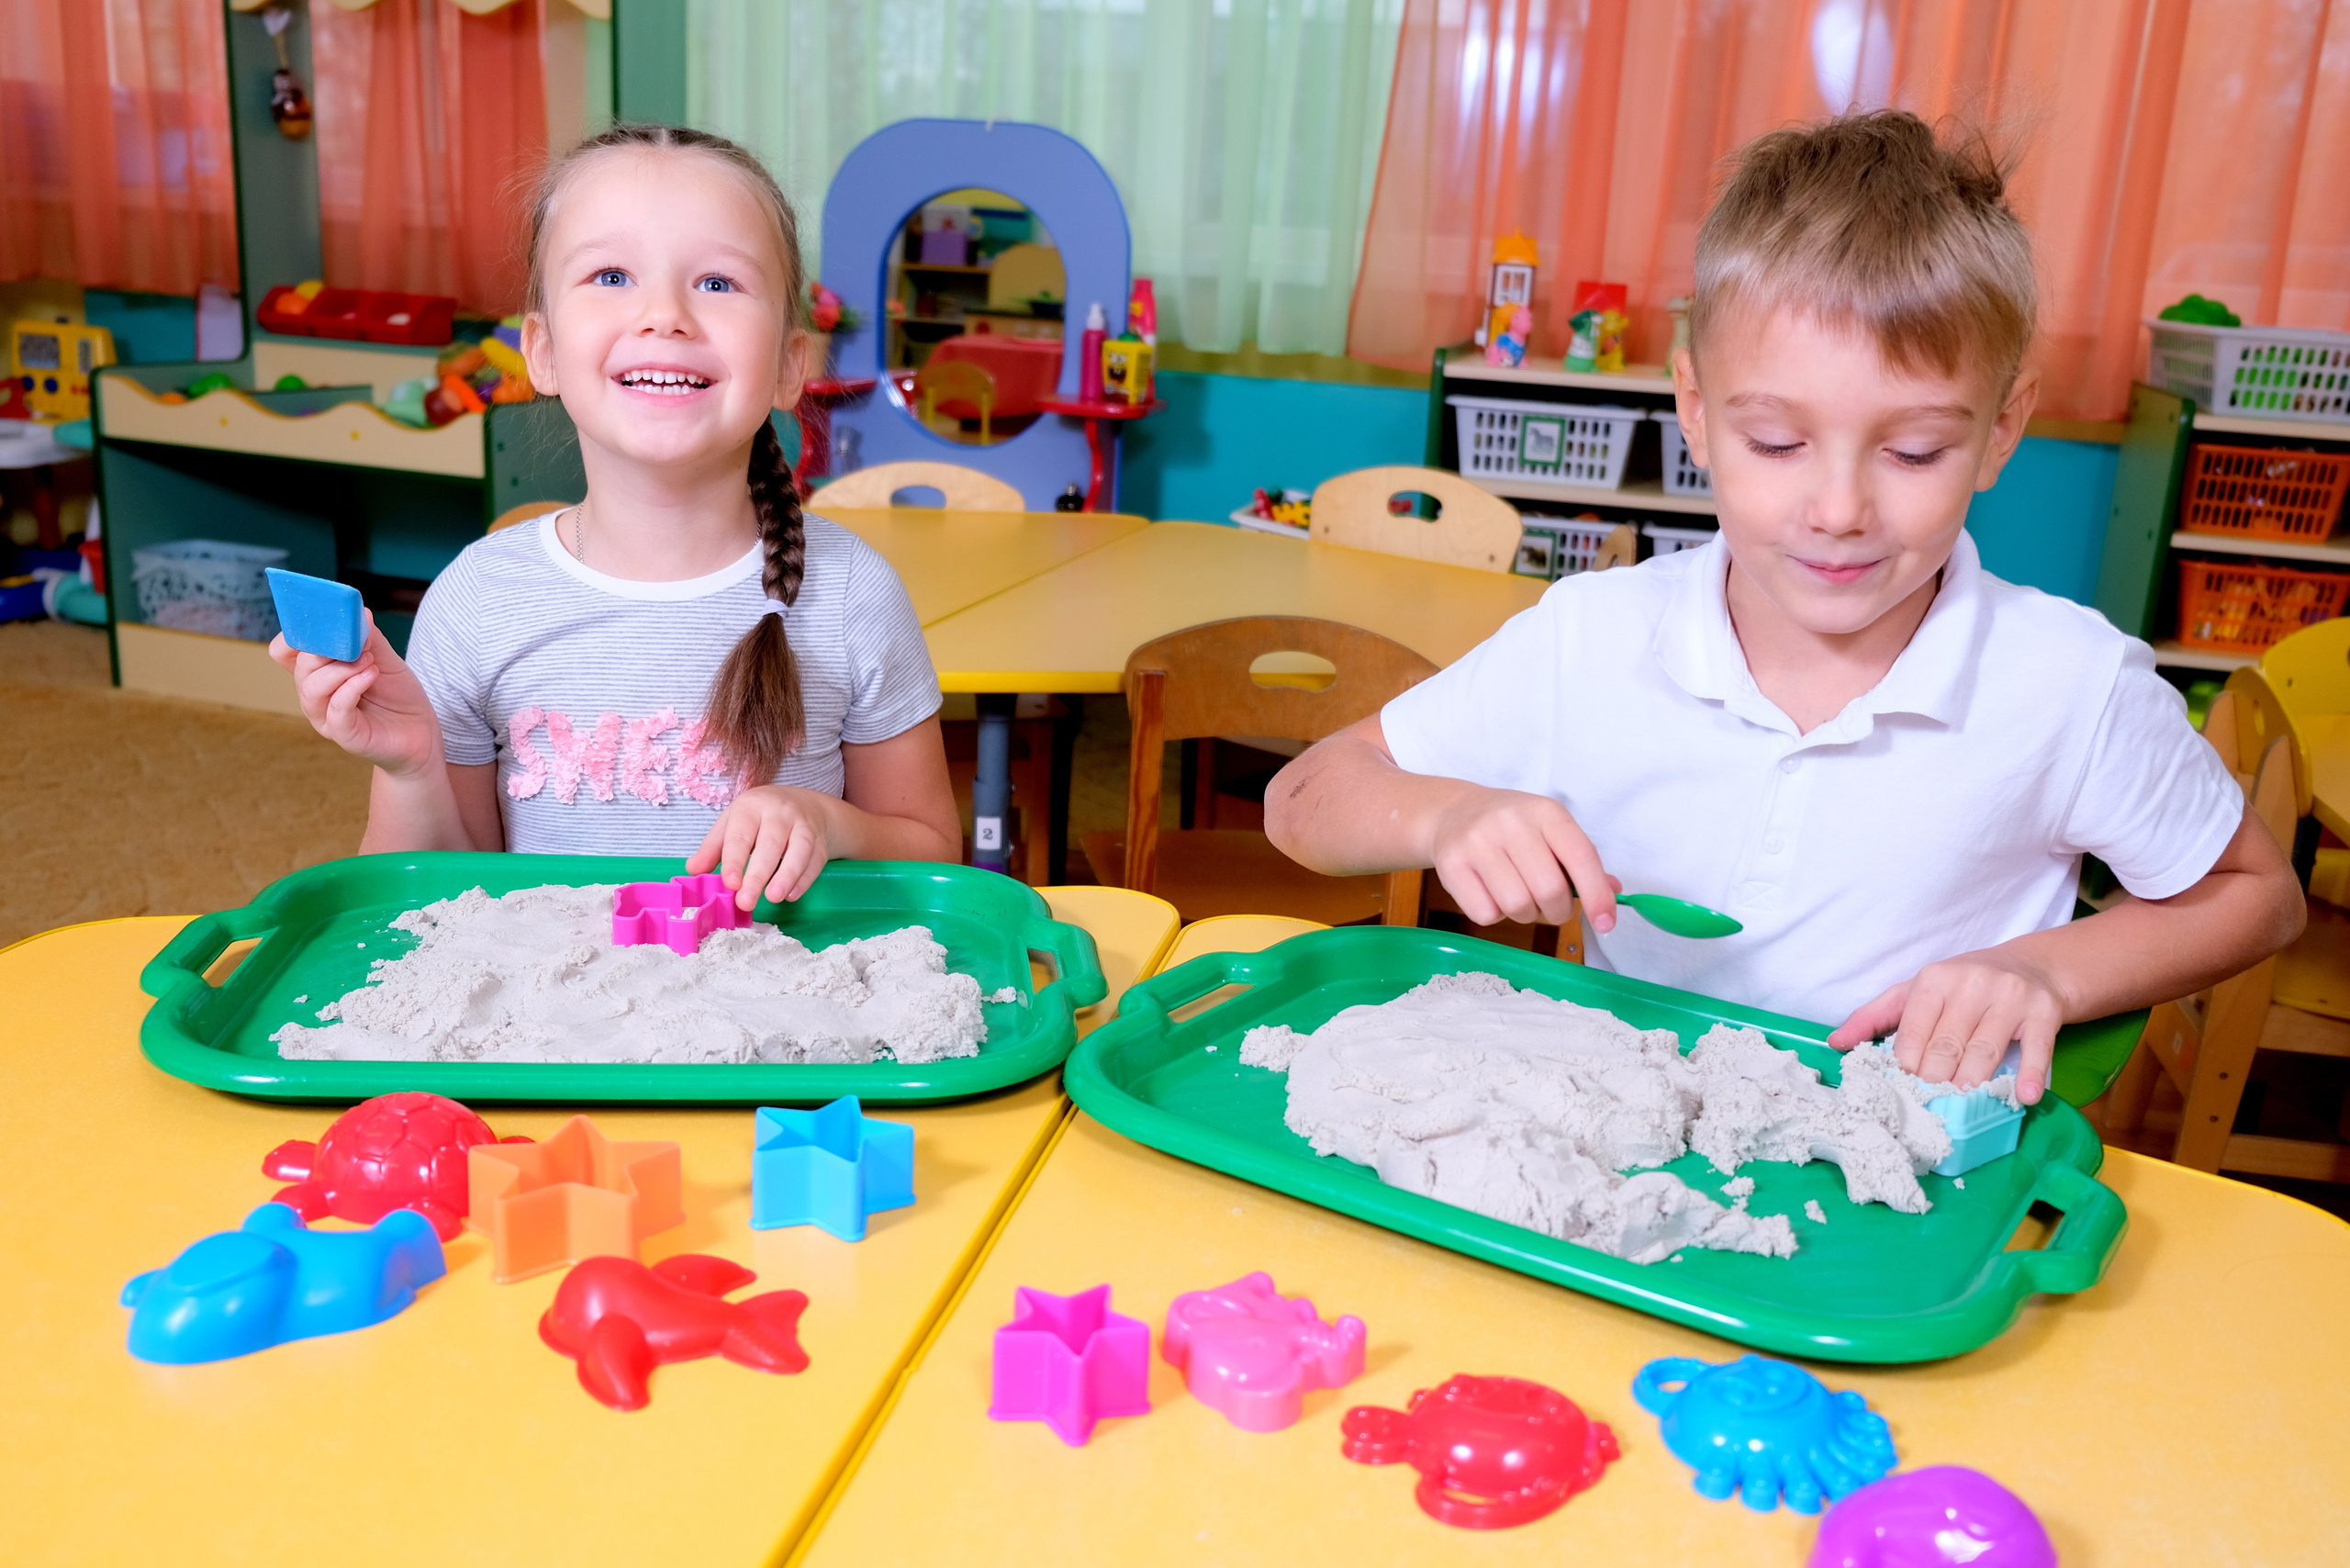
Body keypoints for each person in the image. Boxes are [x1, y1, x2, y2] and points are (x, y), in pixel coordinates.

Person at [1266, 110, 2304, 1106]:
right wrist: (1446, 815)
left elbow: (2260, 896)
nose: (1841, 510)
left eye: (1912, 451)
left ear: (2000, 429)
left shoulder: (2068, 684)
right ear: (1696, 414)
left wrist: (2047, 971)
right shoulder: (1592, 637)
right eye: (1775, 442)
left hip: (1905, 1193)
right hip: (1635, 1154)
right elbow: (1306, 797)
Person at [273, 125, 958, 908]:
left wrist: (828, 823)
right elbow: (426, 900)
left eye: (718, 284)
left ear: (789, 366)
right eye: (609, 275)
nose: (664, 314)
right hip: (551, 1020)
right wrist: (411, 764)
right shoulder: (476, 602)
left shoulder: (851, 596)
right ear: (543, 351)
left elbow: (935, 851)